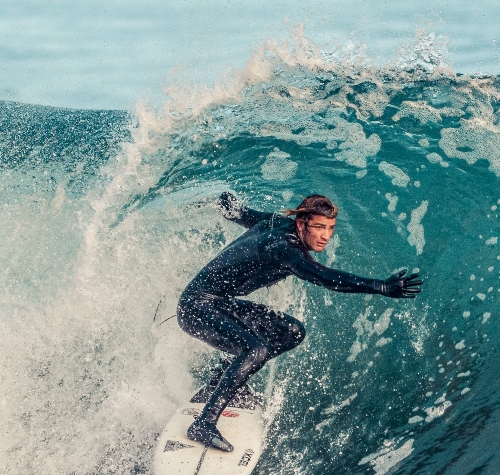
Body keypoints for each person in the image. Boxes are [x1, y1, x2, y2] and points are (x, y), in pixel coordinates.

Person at [177, 192, 422, 451]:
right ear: (301, 224)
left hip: (220, 303)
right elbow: (323, 276)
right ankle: (203, 423)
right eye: (319, 227)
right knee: (256, 349)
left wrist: (224, 202)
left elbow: (241, 214)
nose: (325, 236)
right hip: (197, 307)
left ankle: (222, 377)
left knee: (291, 331)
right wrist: (380, 286)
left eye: (330, 228)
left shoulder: (274, 221)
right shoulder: (285, 249)